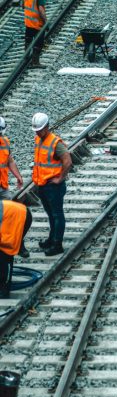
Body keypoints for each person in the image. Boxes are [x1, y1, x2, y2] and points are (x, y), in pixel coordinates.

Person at [32, 112, 72, 256]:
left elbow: (67, 161)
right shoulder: (38, 139)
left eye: (40, 129)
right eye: (36, 130)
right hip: (42, 184)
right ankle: (51, 238)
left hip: (53, 186)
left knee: (57, 214)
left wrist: (60, 179)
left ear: (47, 127)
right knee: (50, 214)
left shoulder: (56, 142)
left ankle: (57, 244)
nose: (38, 132)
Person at [0, 199, 31, 299]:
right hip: (11, 215)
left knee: (6, 252)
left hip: (22, 216)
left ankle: (4, 290)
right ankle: (20, 247)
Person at [23, 0, 47, 67]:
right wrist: (46, 22)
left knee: (28, 41)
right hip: (38, 24)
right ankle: (35, 62)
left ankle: (25, 60)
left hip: (28, 23)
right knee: (38, 43)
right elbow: (41, 10)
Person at [0, 116, 24, 199]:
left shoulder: (5, 142)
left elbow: (10, 161)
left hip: (2, 187)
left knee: (8, 208)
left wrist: (18, 176)